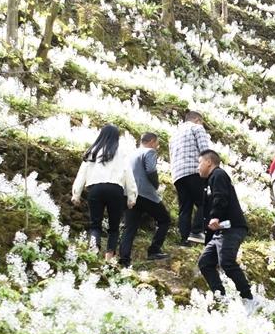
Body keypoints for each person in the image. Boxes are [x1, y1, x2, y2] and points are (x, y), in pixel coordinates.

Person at [195, 149, 256, 310]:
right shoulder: (209, 181)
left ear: (209, 162)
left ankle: (248, 298)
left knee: (227, 262)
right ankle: (220, 296)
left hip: (232, 228)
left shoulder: (219, 175)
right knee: (205, 262)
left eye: (199, 163)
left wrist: (215, 216)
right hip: (219, 231)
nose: (198, 167)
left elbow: (220, 197)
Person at [71, 124, 136, 259]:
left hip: (95, 189)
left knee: (95, 224)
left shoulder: (92, 151)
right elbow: (128, 174)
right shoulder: (121, 152)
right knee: (114, 226)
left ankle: (94, 248)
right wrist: (132, 197)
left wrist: (76, 194)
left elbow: (82, 173)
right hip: (115, 190)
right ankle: (109, 255)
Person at [119, 132, 171, 265]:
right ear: (152, 141)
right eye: (157, 143)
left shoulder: (131, 154)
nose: (157, 146)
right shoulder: (149, 152)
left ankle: (124, 259)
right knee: (164, 219)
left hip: (130, 194)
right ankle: (154, 250)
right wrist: (156, 185)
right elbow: (151, 171)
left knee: (129, 227)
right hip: (145, 193)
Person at [169, 109, 212, 245]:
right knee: (204, 201)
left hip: (178, 174)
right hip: (194, 170)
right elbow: (205, 152)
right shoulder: (197, 128)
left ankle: (184, 239)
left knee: (185, 207)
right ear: (197, 120)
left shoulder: (174, 135)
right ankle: (197, 231)